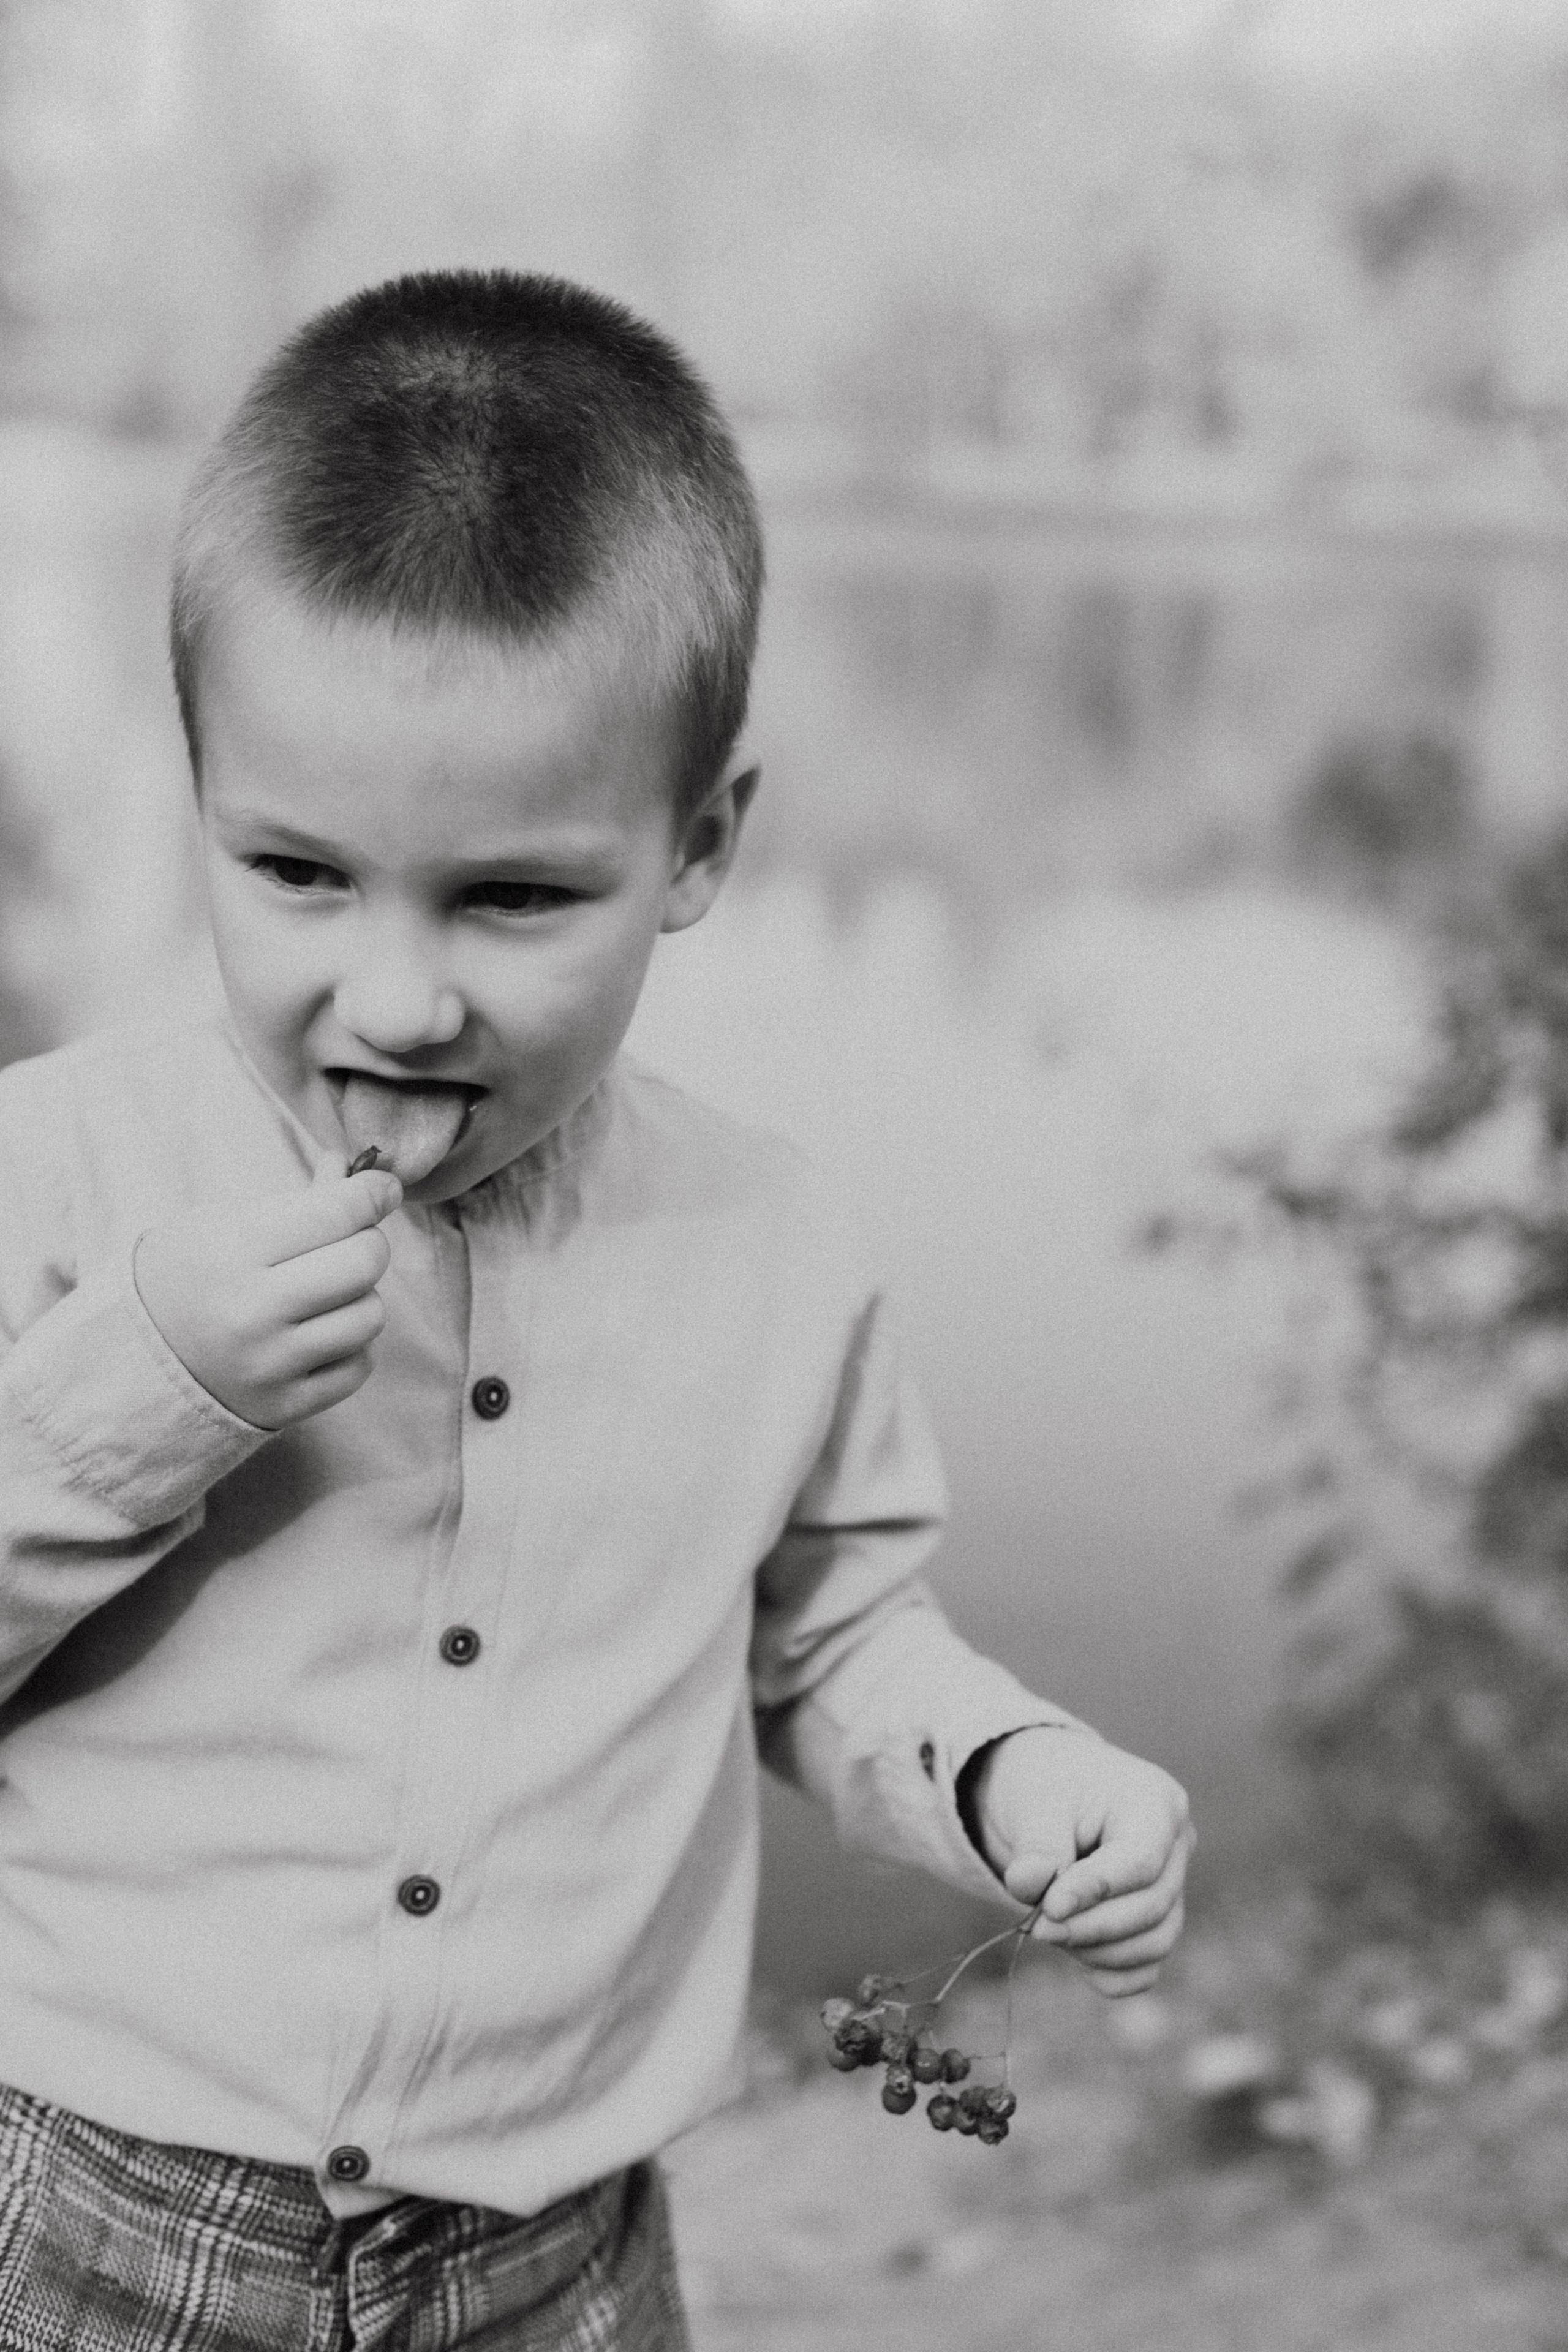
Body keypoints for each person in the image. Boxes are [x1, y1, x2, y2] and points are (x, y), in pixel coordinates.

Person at [0, 271, 1192, 2351]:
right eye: (295, 873)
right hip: (90, 2202)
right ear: (193, 795)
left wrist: (1002, 1770)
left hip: (555, 2251)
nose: (395, 1000)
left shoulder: (771, 1242)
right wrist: (135, 1397)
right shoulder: (53, 1175)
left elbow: (826, 1637)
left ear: (699, 843)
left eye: (514, 897)